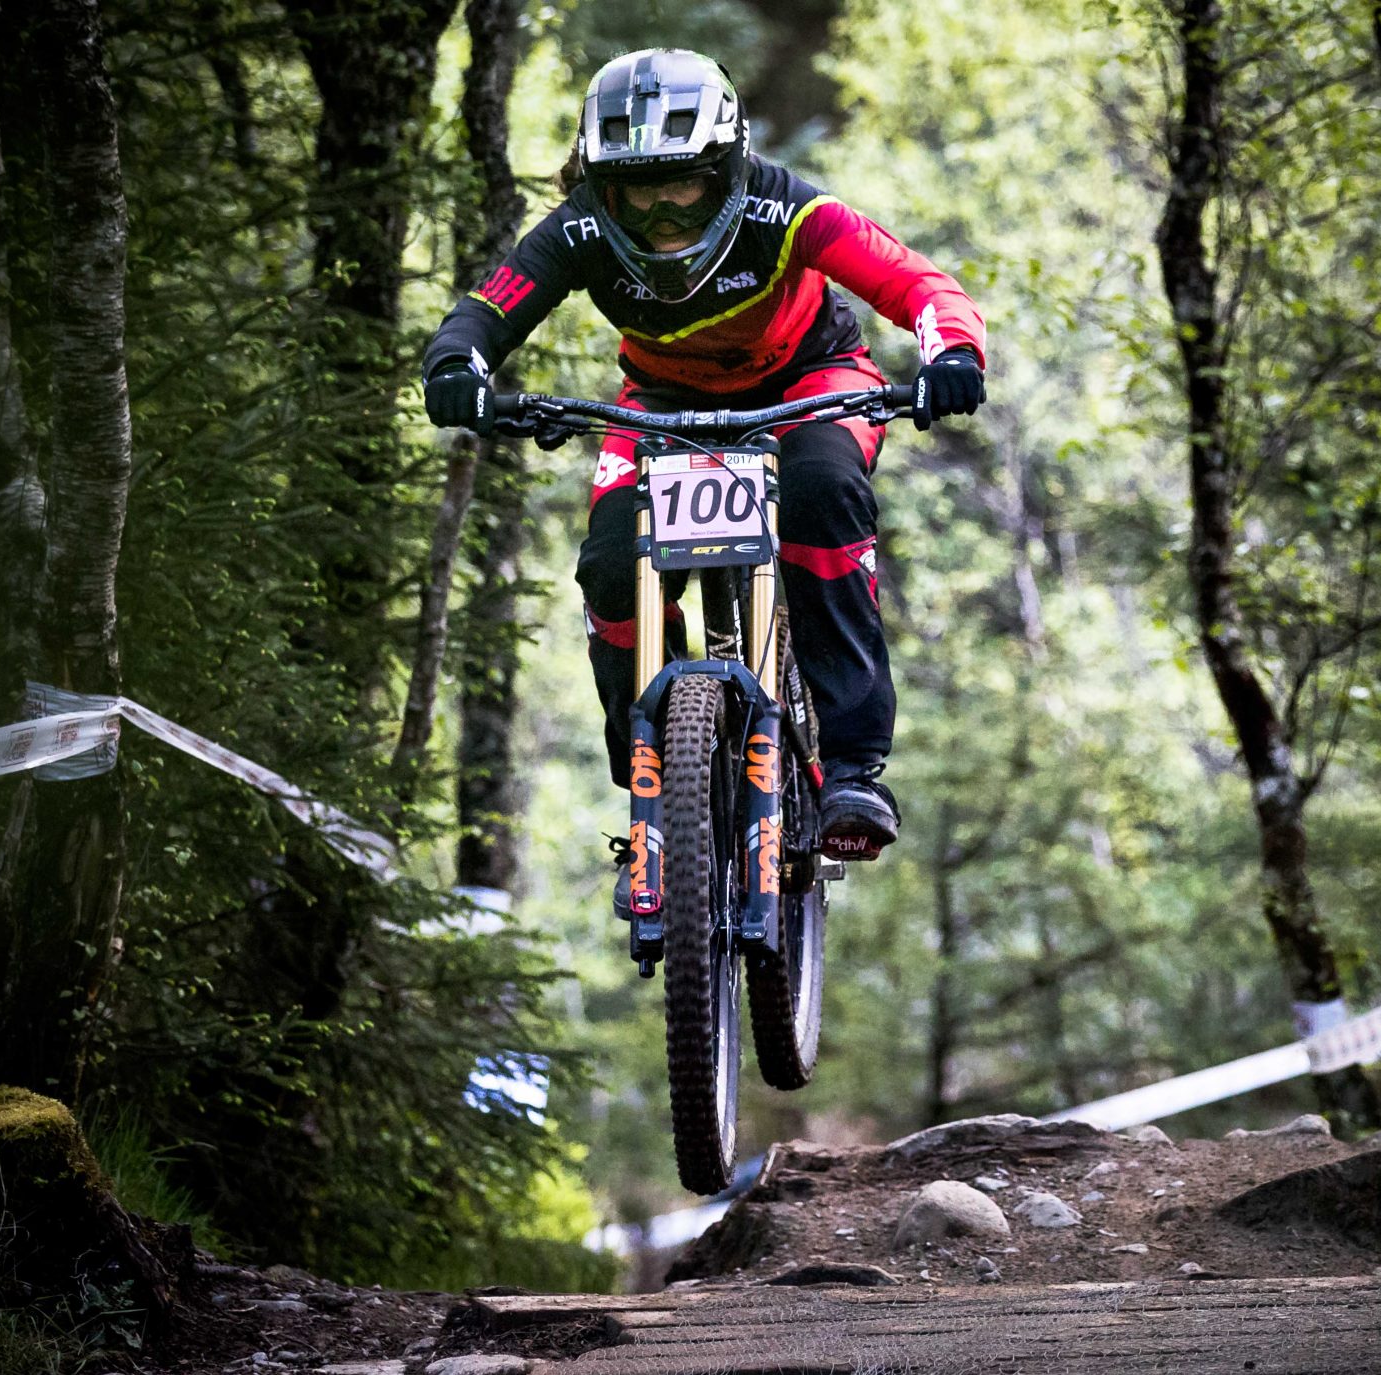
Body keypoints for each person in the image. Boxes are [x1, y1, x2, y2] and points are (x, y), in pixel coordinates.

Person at [419, 47, 985, 894]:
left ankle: (853, 769)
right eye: (636, 191)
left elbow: (916, 283)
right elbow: (487, 310)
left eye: (682, 185)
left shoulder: (786, 209)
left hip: (809, 381)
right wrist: (456, 365)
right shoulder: (578, 229)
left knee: (824, 495)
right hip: (661, 403)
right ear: (602, 187)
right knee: (611, 564)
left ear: (725, 171)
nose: (660, 214)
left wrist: (952, 351)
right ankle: (654, 784)